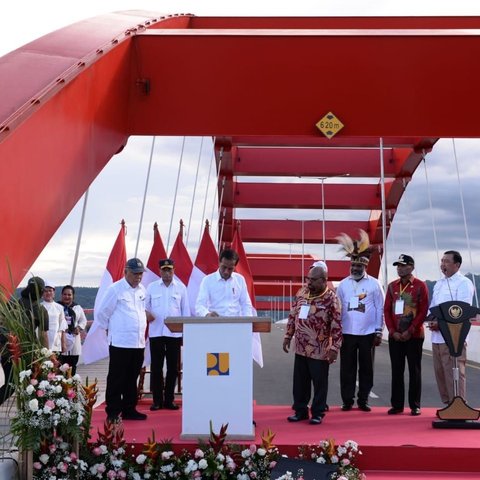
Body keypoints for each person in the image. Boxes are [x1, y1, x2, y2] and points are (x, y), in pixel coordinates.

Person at [282, 265, 342, 425]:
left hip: (320, 349)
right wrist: (288, 335)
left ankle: (318, 412)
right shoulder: (301, 293)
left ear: (324, 280)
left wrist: (335, 348)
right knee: (300, 382)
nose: (309, 282)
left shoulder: (331, 299)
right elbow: (293, 315)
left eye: (313, 280)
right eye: (308, 279)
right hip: (301, 347)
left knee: (319, 382)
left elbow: (337, 325)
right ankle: (300, 411)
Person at [336, 230, 384, 412]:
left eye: (359, 266)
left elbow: (380, 308)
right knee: (346, 369)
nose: (355, 269)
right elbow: (337, 308)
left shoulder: (374, 284)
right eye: (353, 266)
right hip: (347, 332)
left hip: (367, 333)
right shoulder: (343, 284)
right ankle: (347, 400)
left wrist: (379, 331)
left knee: (366, 369)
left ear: (365, 266)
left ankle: (363, 400)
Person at [95, 258, 148, 421]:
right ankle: (113, 411)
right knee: (117, 377)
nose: (138, 277)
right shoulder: (115, 289)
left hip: (137, 342)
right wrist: (113, 331)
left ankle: (129, 409)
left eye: (140, 274)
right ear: (126, 272)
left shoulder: (142, 290)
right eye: (135, 273)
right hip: (120, 342)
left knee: (132, 378)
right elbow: (102, 313)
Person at [427, 250, 474, 404]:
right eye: (442, 261)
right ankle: (448, 405)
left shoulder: (464, 283)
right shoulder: (439, 283)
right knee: (440, 372)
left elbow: (461, 310)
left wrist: (440, 323)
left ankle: (459, 405)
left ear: (457, 265)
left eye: (446, 261)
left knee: (454, 372)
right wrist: (431, 320)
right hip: (437, 337)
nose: (443, 264)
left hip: (454, 338)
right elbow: (433, 307)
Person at [384, 255, 429, 416]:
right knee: (397, 370)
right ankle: (397, 405)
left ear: (411, 267)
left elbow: (423, 311)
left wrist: (409, 330)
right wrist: (392, 331)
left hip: (414, 336)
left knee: (414, 370)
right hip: (395, 336)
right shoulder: (391, 287)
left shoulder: (420, 286)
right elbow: (387, 311)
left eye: (403, 266)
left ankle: (415, 405)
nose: (399, 268)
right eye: (398, 266)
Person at [145, 258, 190, 411]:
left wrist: (185, 333)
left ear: (173, 270)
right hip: (156, 333)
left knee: (172, 368)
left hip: (174, 334)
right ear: (160, 271)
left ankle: (169, 399)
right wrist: (147, 314)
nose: (167, 272)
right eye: (164, 270)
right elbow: (144, 307)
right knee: (156, 368)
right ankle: (157, 400)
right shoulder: (151, 287)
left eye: (169, 269)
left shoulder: (181, 288)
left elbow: (186, 312)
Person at [0, 276, 49, 405]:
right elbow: (43, 335)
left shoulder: (11, 304)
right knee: (31, 384)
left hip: (8, 349)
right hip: (29, 352)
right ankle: (31, 414)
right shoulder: (41, 310)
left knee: (11, 384)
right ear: (41, 291)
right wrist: (46, 356)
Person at [195, 248, 253, 318]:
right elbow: (199, 305)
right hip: (214, 323)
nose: (226, 271)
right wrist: (207, 314)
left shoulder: (240, 280)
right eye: (224, 267)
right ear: (219, 263)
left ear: (235, 267)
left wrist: (247, 322)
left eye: (230, 269)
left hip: (235, 324)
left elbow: (246, 304)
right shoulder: (207, 280)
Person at [58, 285, 88, 375]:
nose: (67, 297)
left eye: (69, 295)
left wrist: (78, 328)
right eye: (65, 294)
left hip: (74, 341)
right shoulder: (57, 307)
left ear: (73, 296)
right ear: (61, 295)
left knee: (72, 368)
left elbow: (83, 320)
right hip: (60, 342)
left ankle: (71, 388)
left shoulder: (77, 308)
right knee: (60, 368)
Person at [41, 281, 67, 354]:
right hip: (43, 341)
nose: (48, 293)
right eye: (45, 291)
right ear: (42, 293)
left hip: (56, 341)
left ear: (54, 293)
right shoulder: (39, 307)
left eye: (50, 291)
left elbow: (62, 327)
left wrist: (63, 343)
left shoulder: (59, 307)